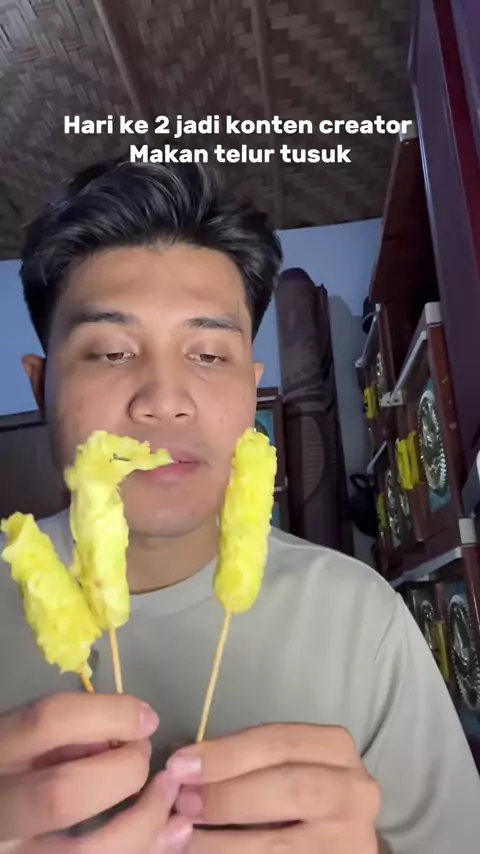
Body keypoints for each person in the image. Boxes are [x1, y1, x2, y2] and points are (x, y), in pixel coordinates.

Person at [0, 156, 478, 854]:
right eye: (109, 352)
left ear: (252, 389)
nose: (165, 400)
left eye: (208, 355)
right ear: (41, 389)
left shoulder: (360, 616)